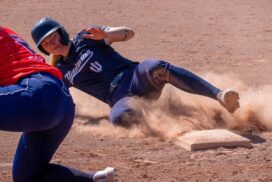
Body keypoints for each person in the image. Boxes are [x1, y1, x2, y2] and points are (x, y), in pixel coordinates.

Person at [31, 17, 240, 127]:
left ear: (61, 33)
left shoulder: (86, 37)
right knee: (119, 118)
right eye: (46, 44)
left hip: (135, 76)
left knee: (158, 67)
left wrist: (106, 33)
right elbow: (56, 98)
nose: (52, 43)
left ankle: (219, 95)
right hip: (119, 98)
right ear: (43, 49)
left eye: (53, 37)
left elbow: (128, 33)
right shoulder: (60, 71)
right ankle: (181, 120)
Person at [0, 26, 117, 182]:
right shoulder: (6, 33)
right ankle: (96, 179)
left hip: (36, 94)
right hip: (61, 102)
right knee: (27, 177)